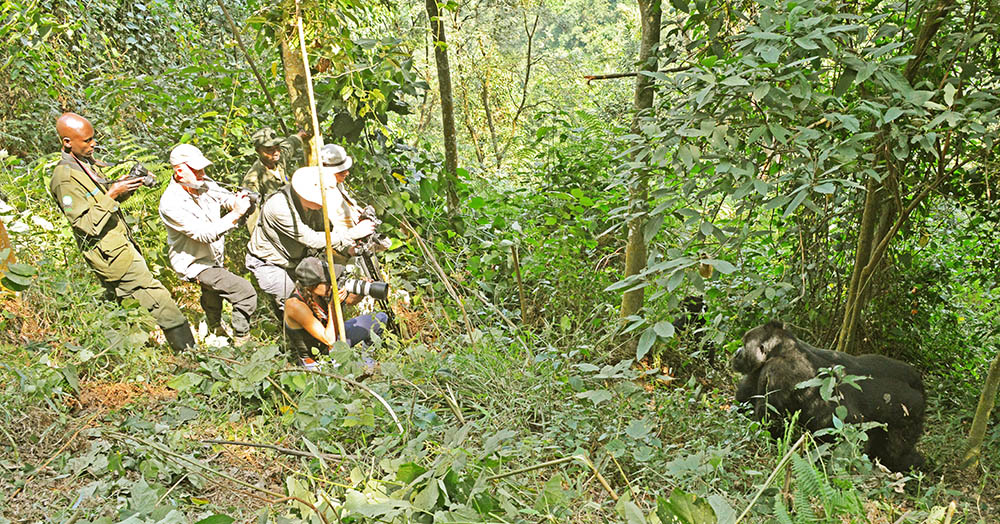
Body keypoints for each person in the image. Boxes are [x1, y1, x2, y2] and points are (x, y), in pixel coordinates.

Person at [48, 113, 195, 351]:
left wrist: (128, 186)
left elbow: (100, 202)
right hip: (112, 257)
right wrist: (113, 193)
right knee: (161, 301)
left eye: (93, 138)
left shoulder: (83, 165)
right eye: (86, 141)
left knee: (123, 309)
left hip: (119, 249)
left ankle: (128, 356)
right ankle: (192, 356)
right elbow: (85, 224)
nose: (92, 144)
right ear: (67, 142)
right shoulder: (65, 178)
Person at [159, 144, 257, 345]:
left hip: (214, 257)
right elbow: (204, 234)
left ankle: (215, 328)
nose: (202, 174)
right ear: (179, 171)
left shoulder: (203, 183)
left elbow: (224, 198)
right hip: (195, 263)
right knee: (244, 291)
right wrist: (237, 213)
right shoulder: (171, 203)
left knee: (212, 293)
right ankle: (242, 341)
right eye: (196, 170)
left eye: (203, 169)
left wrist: (240, 200)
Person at [245, 165, 377, 314]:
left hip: (298, 259)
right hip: (271, 263)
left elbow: (326, 232)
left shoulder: (313, 207)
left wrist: (348, 249)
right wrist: (353, 233)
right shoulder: (279, 206)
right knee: (294, 305)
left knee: (328, 291)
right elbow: (311, 239)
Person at [284, 257, 387, 369]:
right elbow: (329, 340)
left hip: (335, 340)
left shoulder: (321, 292)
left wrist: (362, 291)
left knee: (380, 318)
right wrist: (332, 306)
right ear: (312, 285)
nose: (332, 284)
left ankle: (367, 360)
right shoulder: (295, 305)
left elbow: (351, 301)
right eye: (327, 281)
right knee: (346, 376)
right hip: (318, 359)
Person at [241, 127, 310, 233]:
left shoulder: (279, 159)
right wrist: (260, 241)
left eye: (277, 147)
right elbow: (252, 217)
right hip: (276, 227)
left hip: (295, 217)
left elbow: (290, 144)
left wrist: (300, 135)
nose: (276, 152)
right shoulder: (253, 179)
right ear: (258, 151)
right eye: (269, 149)